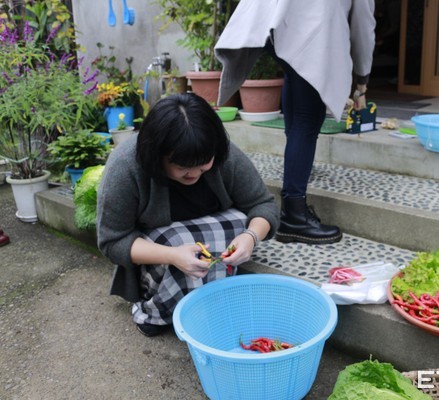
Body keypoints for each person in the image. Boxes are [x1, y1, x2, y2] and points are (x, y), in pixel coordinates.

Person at [96, 93, 279, 337]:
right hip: (157, 253)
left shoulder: (219, 150)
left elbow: (263, 205)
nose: (193, 173)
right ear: (157, 154)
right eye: (182, 167)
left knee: (238, 222)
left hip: (208, 241)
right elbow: (112, 240)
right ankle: (155, 312)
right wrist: (172, 255)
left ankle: (210, 309)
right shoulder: (126, 164)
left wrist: (251, 237)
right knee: (177, 240)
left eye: (203, 164)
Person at [216, 0, 376, 245]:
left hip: (268, 19)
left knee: (296, 73)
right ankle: (294, 215)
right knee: (307, 117)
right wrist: (362, 79)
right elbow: (363, 25)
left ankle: (296, 177)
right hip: (306, 26)